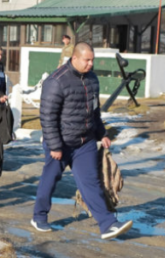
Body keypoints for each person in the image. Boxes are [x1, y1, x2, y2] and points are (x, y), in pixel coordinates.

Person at [33, 42, 132, 240]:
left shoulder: (92, 79)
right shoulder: (56, 81)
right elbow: (47, 116)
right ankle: (39, 216)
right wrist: (55, 146)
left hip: (84, 142)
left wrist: (101, 133)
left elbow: (94, 111)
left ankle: (107, 224)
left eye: (92, 60)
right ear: (75, 58)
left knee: (91, 183)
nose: (90, 64)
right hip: (60, 143)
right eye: (87, 60)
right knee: (50, 180)